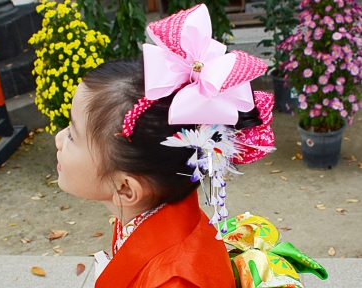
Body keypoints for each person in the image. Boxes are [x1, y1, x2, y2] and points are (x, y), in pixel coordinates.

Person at [55, 4, 274, 287]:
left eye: (73, 135)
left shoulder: (175, 281)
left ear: (125, 188)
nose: (59, 139)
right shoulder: (149, 207)